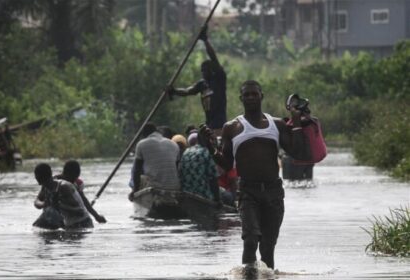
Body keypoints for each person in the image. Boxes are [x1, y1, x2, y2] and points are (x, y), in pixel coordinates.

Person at [200, 80, 311, 275]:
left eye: (254, 94)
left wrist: (298, 124)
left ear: (262, 96)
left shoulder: (276, 124)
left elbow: (297, 152)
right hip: (247, 192)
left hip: (273, 192)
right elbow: (226, 164)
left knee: (267, 248)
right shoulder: (231, 127)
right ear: (241, 99)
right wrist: (210, 147)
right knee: (250, 240)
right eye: (247, 94)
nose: (251, 97)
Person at [168, 26, 227, 136]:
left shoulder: (219, 79)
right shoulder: (202, 84)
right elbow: (187, 91)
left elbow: (213, 58)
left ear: (212, 70)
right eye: (202, 71)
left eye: (205, 70)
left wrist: (205, 40)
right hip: (209, 123)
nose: (203, 73)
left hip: (219, 124)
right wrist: (174, 91)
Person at [33, 163, 94, 230]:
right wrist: (44, 204)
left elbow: (79, 212)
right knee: (42, 221)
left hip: (82, 224)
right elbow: (36, 202)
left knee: (50, 212)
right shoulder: (46, 187)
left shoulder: (64, 187)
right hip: (69, 225)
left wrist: (58, 205)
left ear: (37, 178)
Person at [129, 123, 180, 201]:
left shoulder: (141, 144)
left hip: (155, 187)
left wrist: (135, 191)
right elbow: (177, 169)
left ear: (144, 134)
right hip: (174, 187)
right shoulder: (174, 144)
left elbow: (137, 171)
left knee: (141, 177)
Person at [179, 132, 220, 203]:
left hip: (187, 195)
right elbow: (213, 179)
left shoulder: (186, 152)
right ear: (208, 141)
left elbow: (180, 173)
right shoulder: (206, 152)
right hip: (204, 196)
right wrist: (218, 200)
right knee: (228, 196)